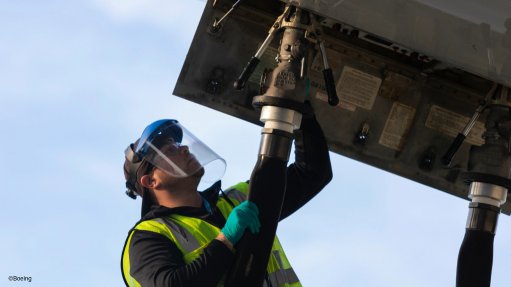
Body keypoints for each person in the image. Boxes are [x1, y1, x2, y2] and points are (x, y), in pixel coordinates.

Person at [121, 112, 332, 287]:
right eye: (169, 150)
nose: (183, 148)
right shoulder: (147, 237)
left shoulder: (239, 199)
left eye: (178, 144)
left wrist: (302, 113)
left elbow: (313, 172)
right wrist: (226, 240)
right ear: (151, 181)